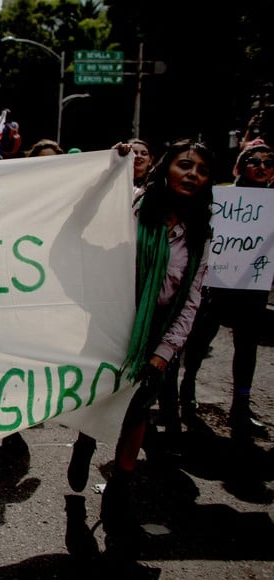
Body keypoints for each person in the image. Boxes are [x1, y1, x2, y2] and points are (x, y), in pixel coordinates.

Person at [101, 139, 214, 556]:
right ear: (167, 169)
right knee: (99, 405)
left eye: (201, 170)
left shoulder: (200, 234)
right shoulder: (133, 207)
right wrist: (114, 163)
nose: (193, 175)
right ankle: (85, 447)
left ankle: (118, 497)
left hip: (153, 338)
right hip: (110, 327)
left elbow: (191, 299)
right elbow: (92, 208)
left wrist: (164, 351)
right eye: (185, 165)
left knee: (136, 413)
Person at [174, 141, 274, 440]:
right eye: (254, 161)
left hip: (253, 286)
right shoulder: (220, 195)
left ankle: (240, 407)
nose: (262, 167)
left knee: (246, 347)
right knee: (200, 341)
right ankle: (187, 390)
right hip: (215, 282)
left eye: (269, 162)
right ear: (240, 165)